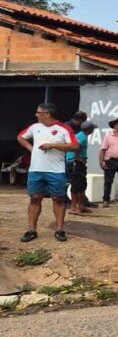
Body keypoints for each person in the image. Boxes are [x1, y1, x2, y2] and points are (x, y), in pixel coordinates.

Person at [17, 103, 78, 242]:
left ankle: (60, 230)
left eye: (39, 112)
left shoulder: (64, 129)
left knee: (57, 199)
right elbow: (20, 137)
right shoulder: (35, 127)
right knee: (35, 198)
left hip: (56, 171)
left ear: (47, 114)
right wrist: (31, 149)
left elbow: (75, 146)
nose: (36, 114)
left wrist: (53, 145)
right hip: (35, 170)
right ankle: (32, 230)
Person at [66, 120, 96, 215]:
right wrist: (77, 158)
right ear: (90, 130)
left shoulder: (81, 135)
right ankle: (73, 207)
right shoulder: (82, 137)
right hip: (75, 163)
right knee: (76, 185)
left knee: (82, 185)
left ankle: (81, 206)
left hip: (79, 163)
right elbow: (76, 146)